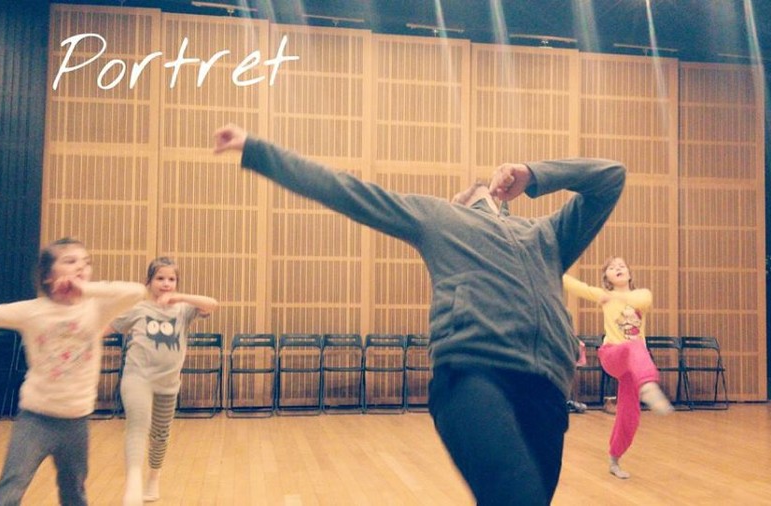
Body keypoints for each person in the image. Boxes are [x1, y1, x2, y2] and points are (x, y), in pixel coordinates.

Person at [213, 123, 626, 505]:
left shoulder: (547, 235)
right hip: (474, 375)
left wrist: (533, 174)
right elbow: (346, 191)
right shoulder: (439, 217)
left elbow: (611, 177)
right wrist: (257, 150)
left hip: (547, 389)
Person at [0, 237, 146, 505]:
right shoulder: (32, 312)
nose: (81, 267)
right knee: (11, 487)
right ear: (48, 275)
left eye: (86, 262)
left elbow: (136, 292)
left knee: (74, 492)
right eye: (70, 261)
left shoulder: (96, 308)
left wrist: (86, 289)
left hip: (77, 422)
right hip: (35, 419)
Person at [110, 257, 218, 506]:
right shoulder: (138, 309)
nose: (166, 283)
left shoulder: (184, 310)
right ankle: (133, 483)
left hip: (168, 383)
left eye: (171, 279)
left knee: (160, 433)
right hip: (137, 377)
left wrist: (180, 298)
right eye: (160, 278)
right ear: (148, 281)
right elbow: (109, 327)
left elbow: (212, 304)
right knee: (138, 425)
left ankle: (153, 478)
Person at [563, 257, 672, 480]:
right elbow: (575, 286)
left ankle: (614, 459)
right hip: (612, 355)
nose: (618, 268)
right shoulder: (602, 295)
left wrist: (612, 296)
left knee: (630, 415)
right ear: (607, 278)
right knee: (634, 346)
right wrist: (551, 266)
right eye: (612, 268)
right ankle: (649, 386)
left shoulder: (641, 295)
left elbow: (641, 299)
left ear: (629, 274)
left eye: (621, 266)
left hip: (633, 367)